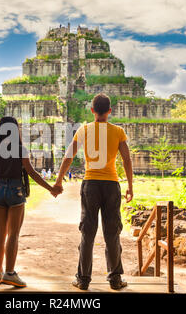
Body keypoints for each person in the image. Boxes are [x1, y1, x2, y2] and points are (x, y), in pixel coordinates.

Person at [53, 93, 134, 291]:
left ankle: (83, 280)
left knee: (87, 232)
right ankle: (115, 279)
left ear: (92, 110)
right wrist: (130, 186)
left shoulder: (84, 129)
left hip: (90, 184)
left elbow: (68, 157)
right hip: (111, 185)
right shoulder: (118, 131)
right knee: (112, 232)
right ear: (109, 111)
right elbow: (126, 160)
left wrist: (58, 180)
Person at [0, 116, 62, 288]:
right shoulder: (21, 150)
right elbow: (32, 173)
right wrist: (51, 188)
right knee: (13, 234)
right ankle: (10, 273)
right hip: (16, 191)